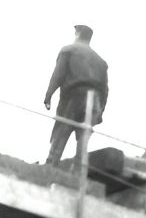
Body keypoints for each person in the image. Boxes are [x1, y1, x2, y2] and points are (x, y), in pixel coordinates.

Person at [44, 24, 109, 167]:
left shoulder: (69, 50)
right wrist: (100, 111)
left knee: (62, 130)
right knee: (83, 139)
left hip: (75, 96)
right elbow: (105, 89)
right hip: (95, 100)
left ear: (77, 34)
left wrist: (48, 95)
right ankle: (79, 170)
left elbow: (58, 75)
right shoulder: (101, 61)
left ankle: (50, 165)